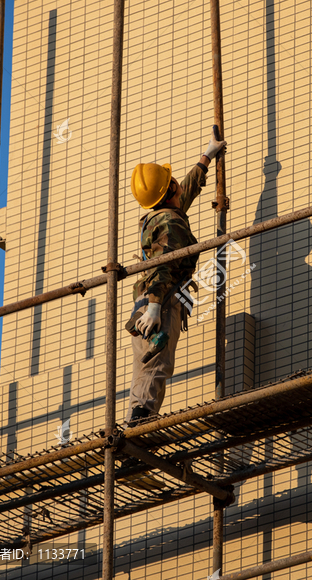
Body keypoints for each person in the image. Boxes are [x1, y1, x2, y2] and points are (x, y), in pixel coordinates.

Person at [126, 128, 227, 427]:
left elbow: (187, 189)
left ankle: (139, 419)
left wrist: (206, 157)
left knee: (145, 365)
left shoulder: (160, 214)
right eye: (172, 182)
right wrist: (157, 305)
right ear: (168, 192)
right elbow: (163, 263)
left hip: (149, 301)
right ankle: (140, 423)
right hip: (162, 299)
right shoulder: (170, 220)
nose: (177, 184)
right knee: (156, 365)